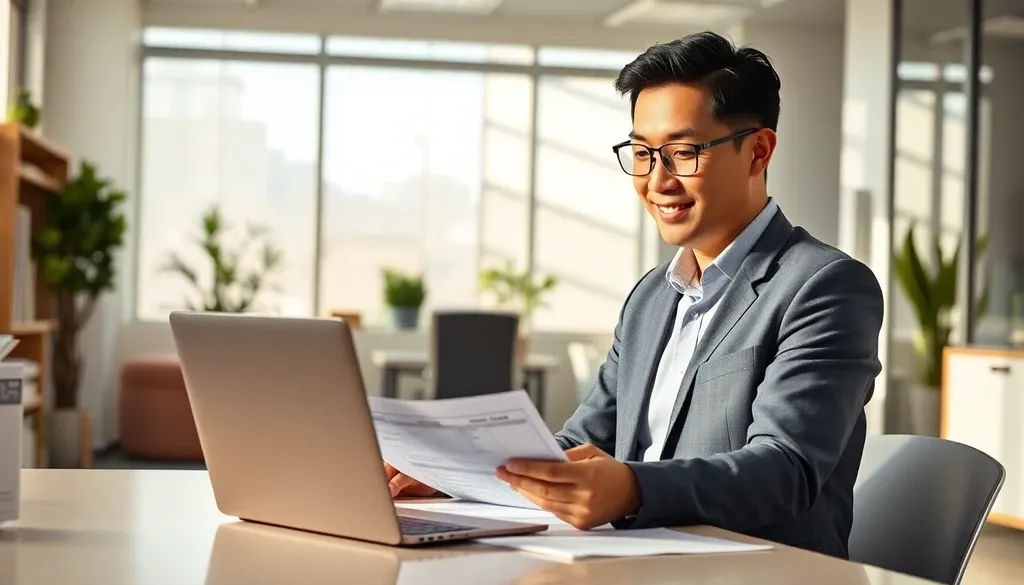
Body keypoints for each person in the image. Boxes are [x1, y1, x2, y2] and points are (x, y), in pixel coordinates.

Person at [385, 31, 883, 560]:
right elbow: (582, 440)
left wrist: (632, 489)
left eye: (683, 152)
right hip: (633, 562)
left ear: (758, 151)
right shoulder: (651, 296)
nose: (657, 180)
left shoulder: (824, 286)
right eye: (643, 153)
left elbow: (785, 469)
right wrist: (457, 475)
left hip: (756, 570)